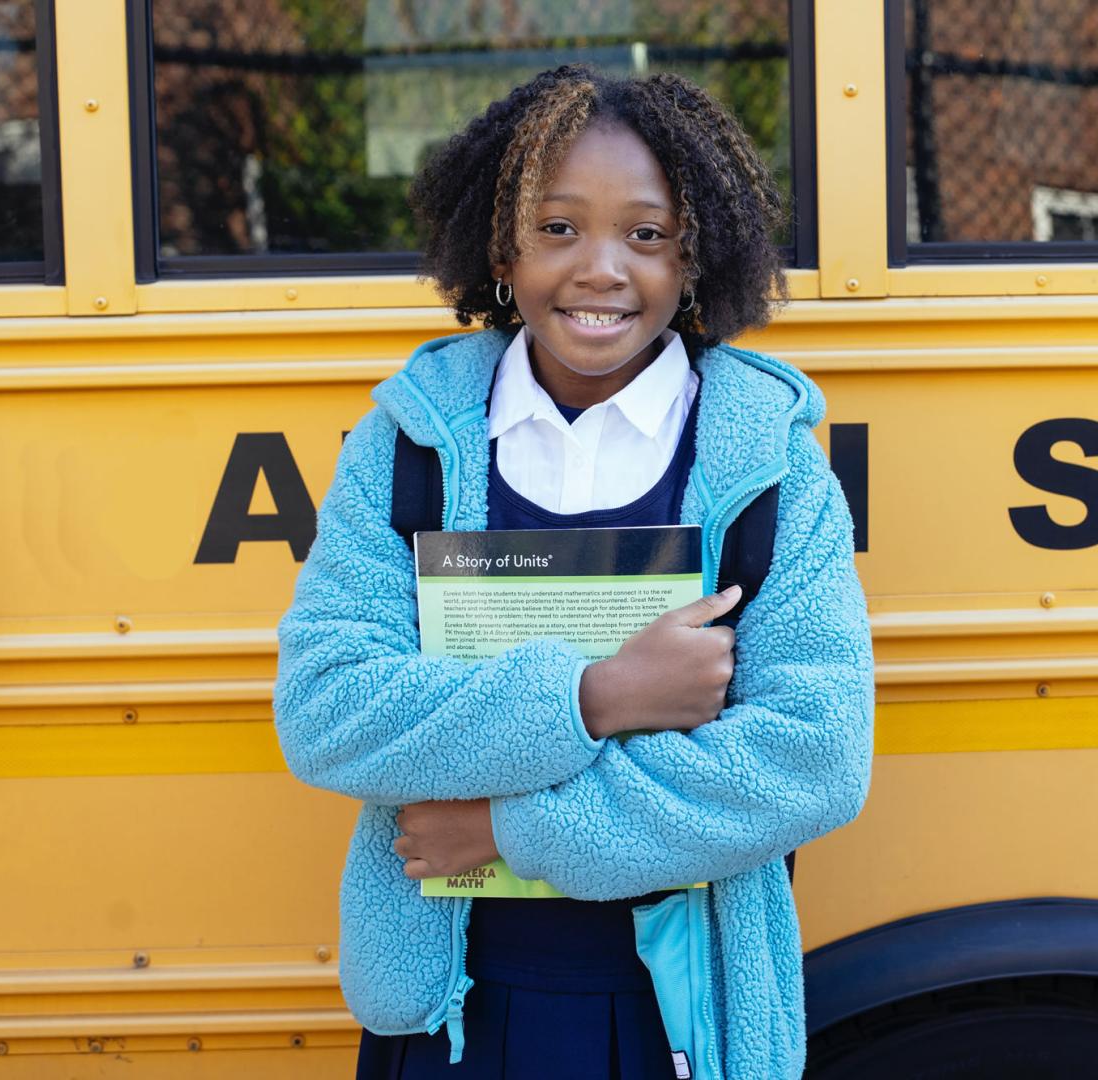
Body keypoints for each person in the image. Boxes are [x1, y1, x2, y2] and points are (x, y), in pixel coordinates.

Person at [272, 65, 874, 1080]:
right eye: (557, 228)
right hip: (451, 1016)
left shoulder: (766, 469)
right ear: (500, 248)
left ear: (696, 258)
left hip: (678, 1017)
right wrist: (596, 696)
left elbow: (813, 758)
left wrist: (508, 829)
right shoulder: (408, 450)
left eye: (646, 235)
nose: (600, 269)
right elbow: (330, 711)